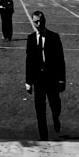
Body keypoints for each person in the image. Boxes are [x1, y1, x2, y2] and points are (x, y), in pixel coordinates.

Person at [25, 10, 66, 140]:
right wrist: (28, 82)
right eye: (36, 22)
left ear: (45, 21)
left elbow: (60, 60)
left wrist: (61, 80)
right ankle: (43, 136)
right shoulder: (31, 38)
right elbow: (29, 61)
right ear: (33, 22)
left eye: (40, 21)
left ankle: (55, 117)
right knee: (39, 108)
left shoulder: (54, 37)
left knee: (55, 104)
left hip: (52, 77)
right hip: (38, 79)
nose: (38, 24)